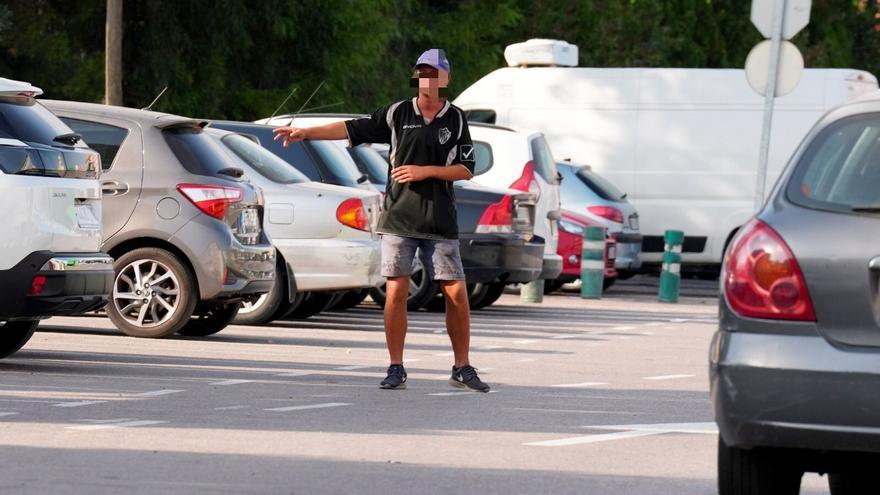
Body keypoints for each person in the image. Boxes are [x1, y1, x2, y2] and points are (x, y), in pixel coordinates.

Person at [273, 48, 490, 393]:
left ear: (445, 78)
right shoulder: (396, 113)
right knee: (396, 291)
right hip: (399, 217)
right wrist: (304, 133)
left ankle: (462, 367)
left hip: (439, 220)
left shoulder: (457, 118)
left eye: (434, 73)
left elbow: (466, 168)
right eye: (421, 72)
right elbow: (350, 128)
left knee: (457, 293)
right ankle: (395, 367)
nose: (427, 79)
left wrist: (425, 172)